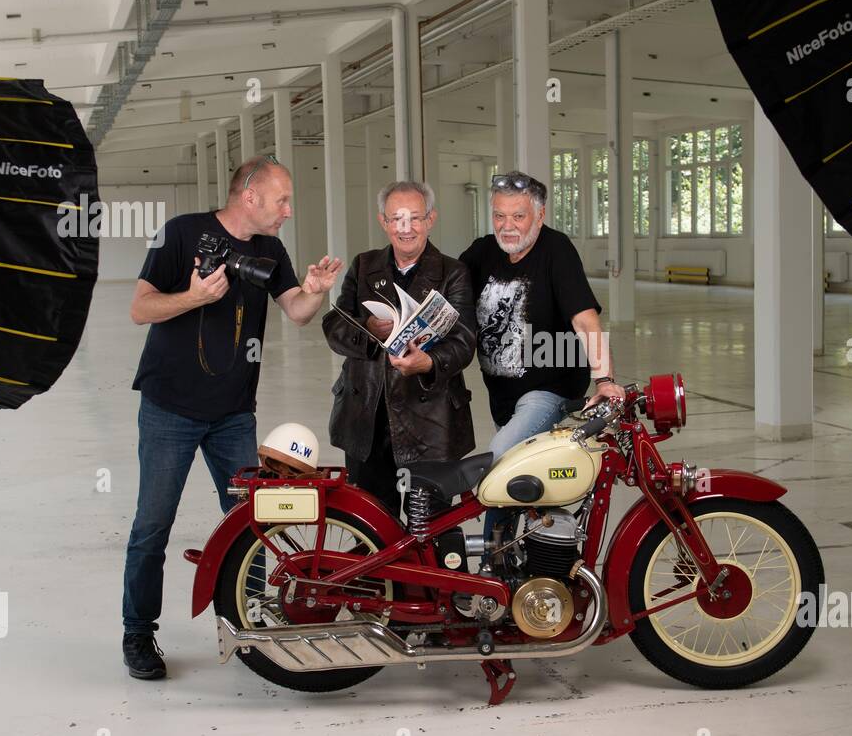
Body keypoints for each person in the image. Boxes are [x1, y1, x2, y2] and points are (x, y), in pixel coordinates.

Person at [122, 154, 341, 680]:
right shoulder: (180, 234)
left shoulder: (269, 248)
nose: (288, 210)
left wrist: (314, 289)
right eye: (282, 199)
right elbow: (139, 308)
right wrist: (193, 297)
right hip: (169, 409)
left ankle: (251, 621)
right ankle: (137, 632)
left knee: (253, 524)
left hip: (233, 415)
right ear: (250, 196)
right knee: (153, 526)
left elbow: (296, 311)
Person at [460, 171, 626, 539]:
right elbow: (445, 296)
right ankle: (540, 555)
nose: (507, 226)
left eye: (518, 216)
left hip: (549, 390)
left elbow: (585, 320)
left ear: (540, 215)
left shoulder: (556, 250)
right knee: (525, 481)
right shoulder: (482, 252)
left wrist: (605, 379)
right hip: (503, 397)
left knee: (502, 457)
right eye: (499, 215)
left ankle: (492, 566)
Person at [323, 180, 476, 517]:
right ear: (384, 222)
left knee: (429, 529)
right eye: (397, 219)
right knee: (372, 526)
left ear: (431, 220)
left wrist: (428, 362)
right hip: (367, 419)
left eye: (415, 219)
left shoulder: (454, 273)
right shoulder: (364, 265)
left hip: (431, 423)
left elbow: (464, 342)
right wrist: (367, 328)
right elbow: (334, 325)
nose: (406, 229)